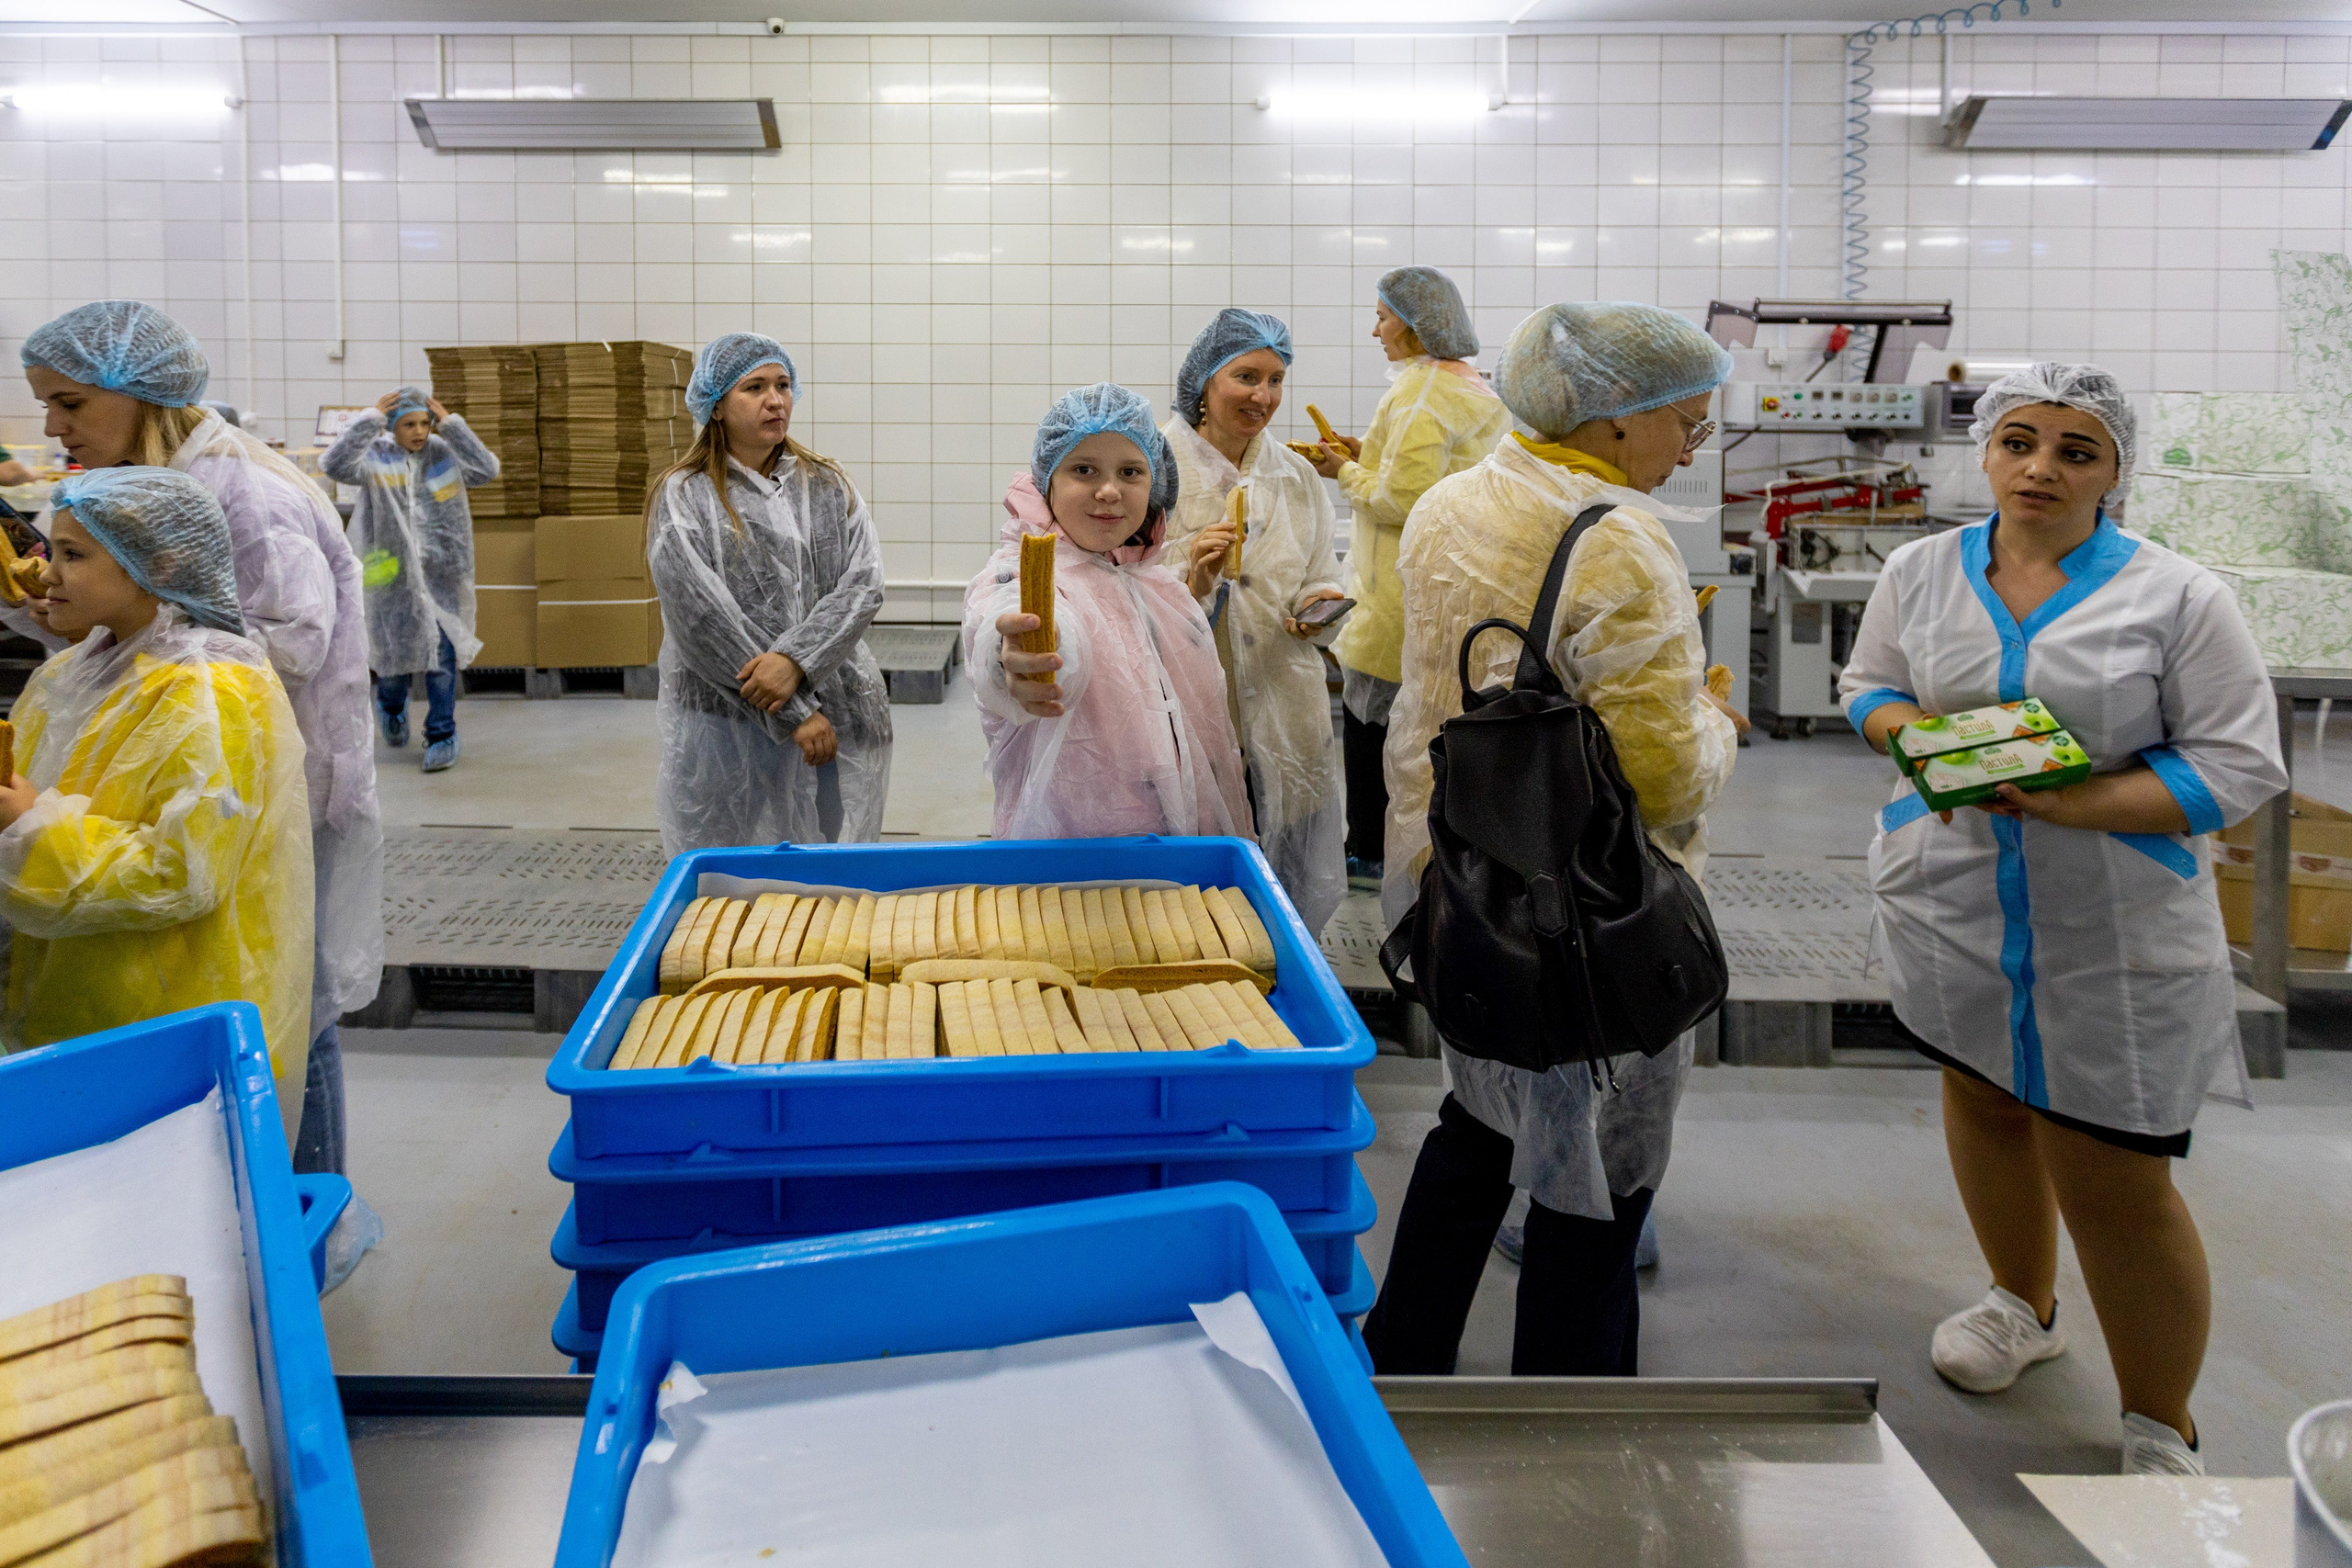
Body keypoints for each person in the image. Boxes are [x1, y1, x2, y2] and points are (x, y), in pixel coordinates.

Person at [1837, 364, 2287, 1476]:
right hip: (1952, 898)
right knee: (1984, 1100)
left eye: (2074, 451)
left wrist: (2064, 798)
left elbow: (2236, 763)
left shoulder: (2178, 596)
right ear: (1985, 452)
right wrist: (1923, 744)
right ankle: (2020, 1308)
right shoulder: (1922, 567)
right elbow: (1868, 684)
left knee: (2117, 1174)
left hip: (2111, 920)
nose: (2040, 468)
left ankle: (2158, 1423)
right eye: (2019, 442)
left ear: (2114, 472)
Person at [1362, 302, 1740, 1378]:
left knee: (1477, 1123)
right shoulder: (1617, 540)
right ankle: (1570, 1421)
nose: (1687, 449)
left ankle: (1403, 1359)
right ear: (1619, 422)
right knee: (1597, 1180)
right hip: (1580, 914)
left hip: (1451, 879)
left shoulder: (1454, 499)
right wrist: (1715, 723)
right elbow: (1659, 774)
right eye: (1688, 424)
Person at [21, 300, 380, 1179]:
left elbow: (291, 639)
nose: (51, 424)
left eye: (69, 402)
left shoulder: (244, 495)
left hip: (263, 780)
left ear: (138, 391)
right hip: (199, 774)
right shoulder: (155, 482)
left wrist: (149, 636)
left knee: (292, 1004)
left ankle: (303, 1215)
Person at [0, 468, 313, 1138]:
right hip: (72, 1007)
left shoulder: (211, 690)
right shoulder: (73, 670)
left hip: (167, 1029)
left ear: (160, 564)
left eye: (73, 555)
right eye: (50, 550)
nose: (45, 575)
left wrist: (28, 826)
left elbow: (180, 874)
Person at [964, 383, 1253, 842]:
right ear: (1047, 483)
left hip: (1184, 848)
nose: (1109, 491)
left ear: (1154, 483)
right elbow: (1011, 625)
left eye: (1131, 472)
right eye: (1084, 470)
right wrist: (1019, 657)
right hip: (1073, 853)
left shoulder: (1152, 581)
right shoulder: (1019, 573)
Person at [647, 333, 892, 854]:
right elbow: (701, 619)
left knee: (825, 862)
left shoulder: (826, 483)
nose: (775, 400)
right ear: (715, 407)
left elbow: (863, 583)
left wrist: (796, 663)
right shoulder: (684, 495)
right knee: (731, 872)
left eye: (782, 385)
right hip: (726, 721)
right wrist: (794, 711)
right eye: (754, 387)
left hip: (835, 711)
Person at [1306, 265, 1510, 886]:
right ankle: (1426, 849)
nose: (1375, 330)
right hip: (1452, 585)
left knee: (1375, 728)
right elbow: (1432, 468)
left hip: (1399, 591)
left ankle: (1368, 849)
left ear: (1416, 324)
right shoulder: (1470, 386)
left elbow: (1406, 496)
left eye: (1383, 316)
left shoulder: (1420, 392)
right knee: (1426, 730)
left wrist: (1342, 470)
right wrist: (1364, 451)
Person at [1159, 309, 1347, 933]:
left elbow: (1322, 566)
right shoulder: (1157, 470)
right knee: (1192, 896)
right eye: (1246, 376)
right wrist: (1192, 575)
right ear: (1205, 382)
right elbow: (1124, 591)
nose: (1262, 396)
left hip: (1282, 703)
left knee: (1281, 888)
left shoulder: (1294, 477)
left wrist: (1318, 607)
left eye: (1275, 379)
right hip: (1186, 714)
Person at [322, 384, 501, 775]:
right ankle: (390, 704)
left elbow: (486, 470)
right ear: (391, 427)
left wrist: (453, 427)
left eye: (425, 423)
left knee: (442, 658)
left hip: (440, 575)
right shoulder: (375, 457)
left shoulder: (443, 453)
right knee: (392, 660)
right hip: (392, 577)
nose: (419, 432)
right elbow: (333, 465)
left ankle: (441, 734)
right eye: (408, 424)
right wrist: (367, 421)